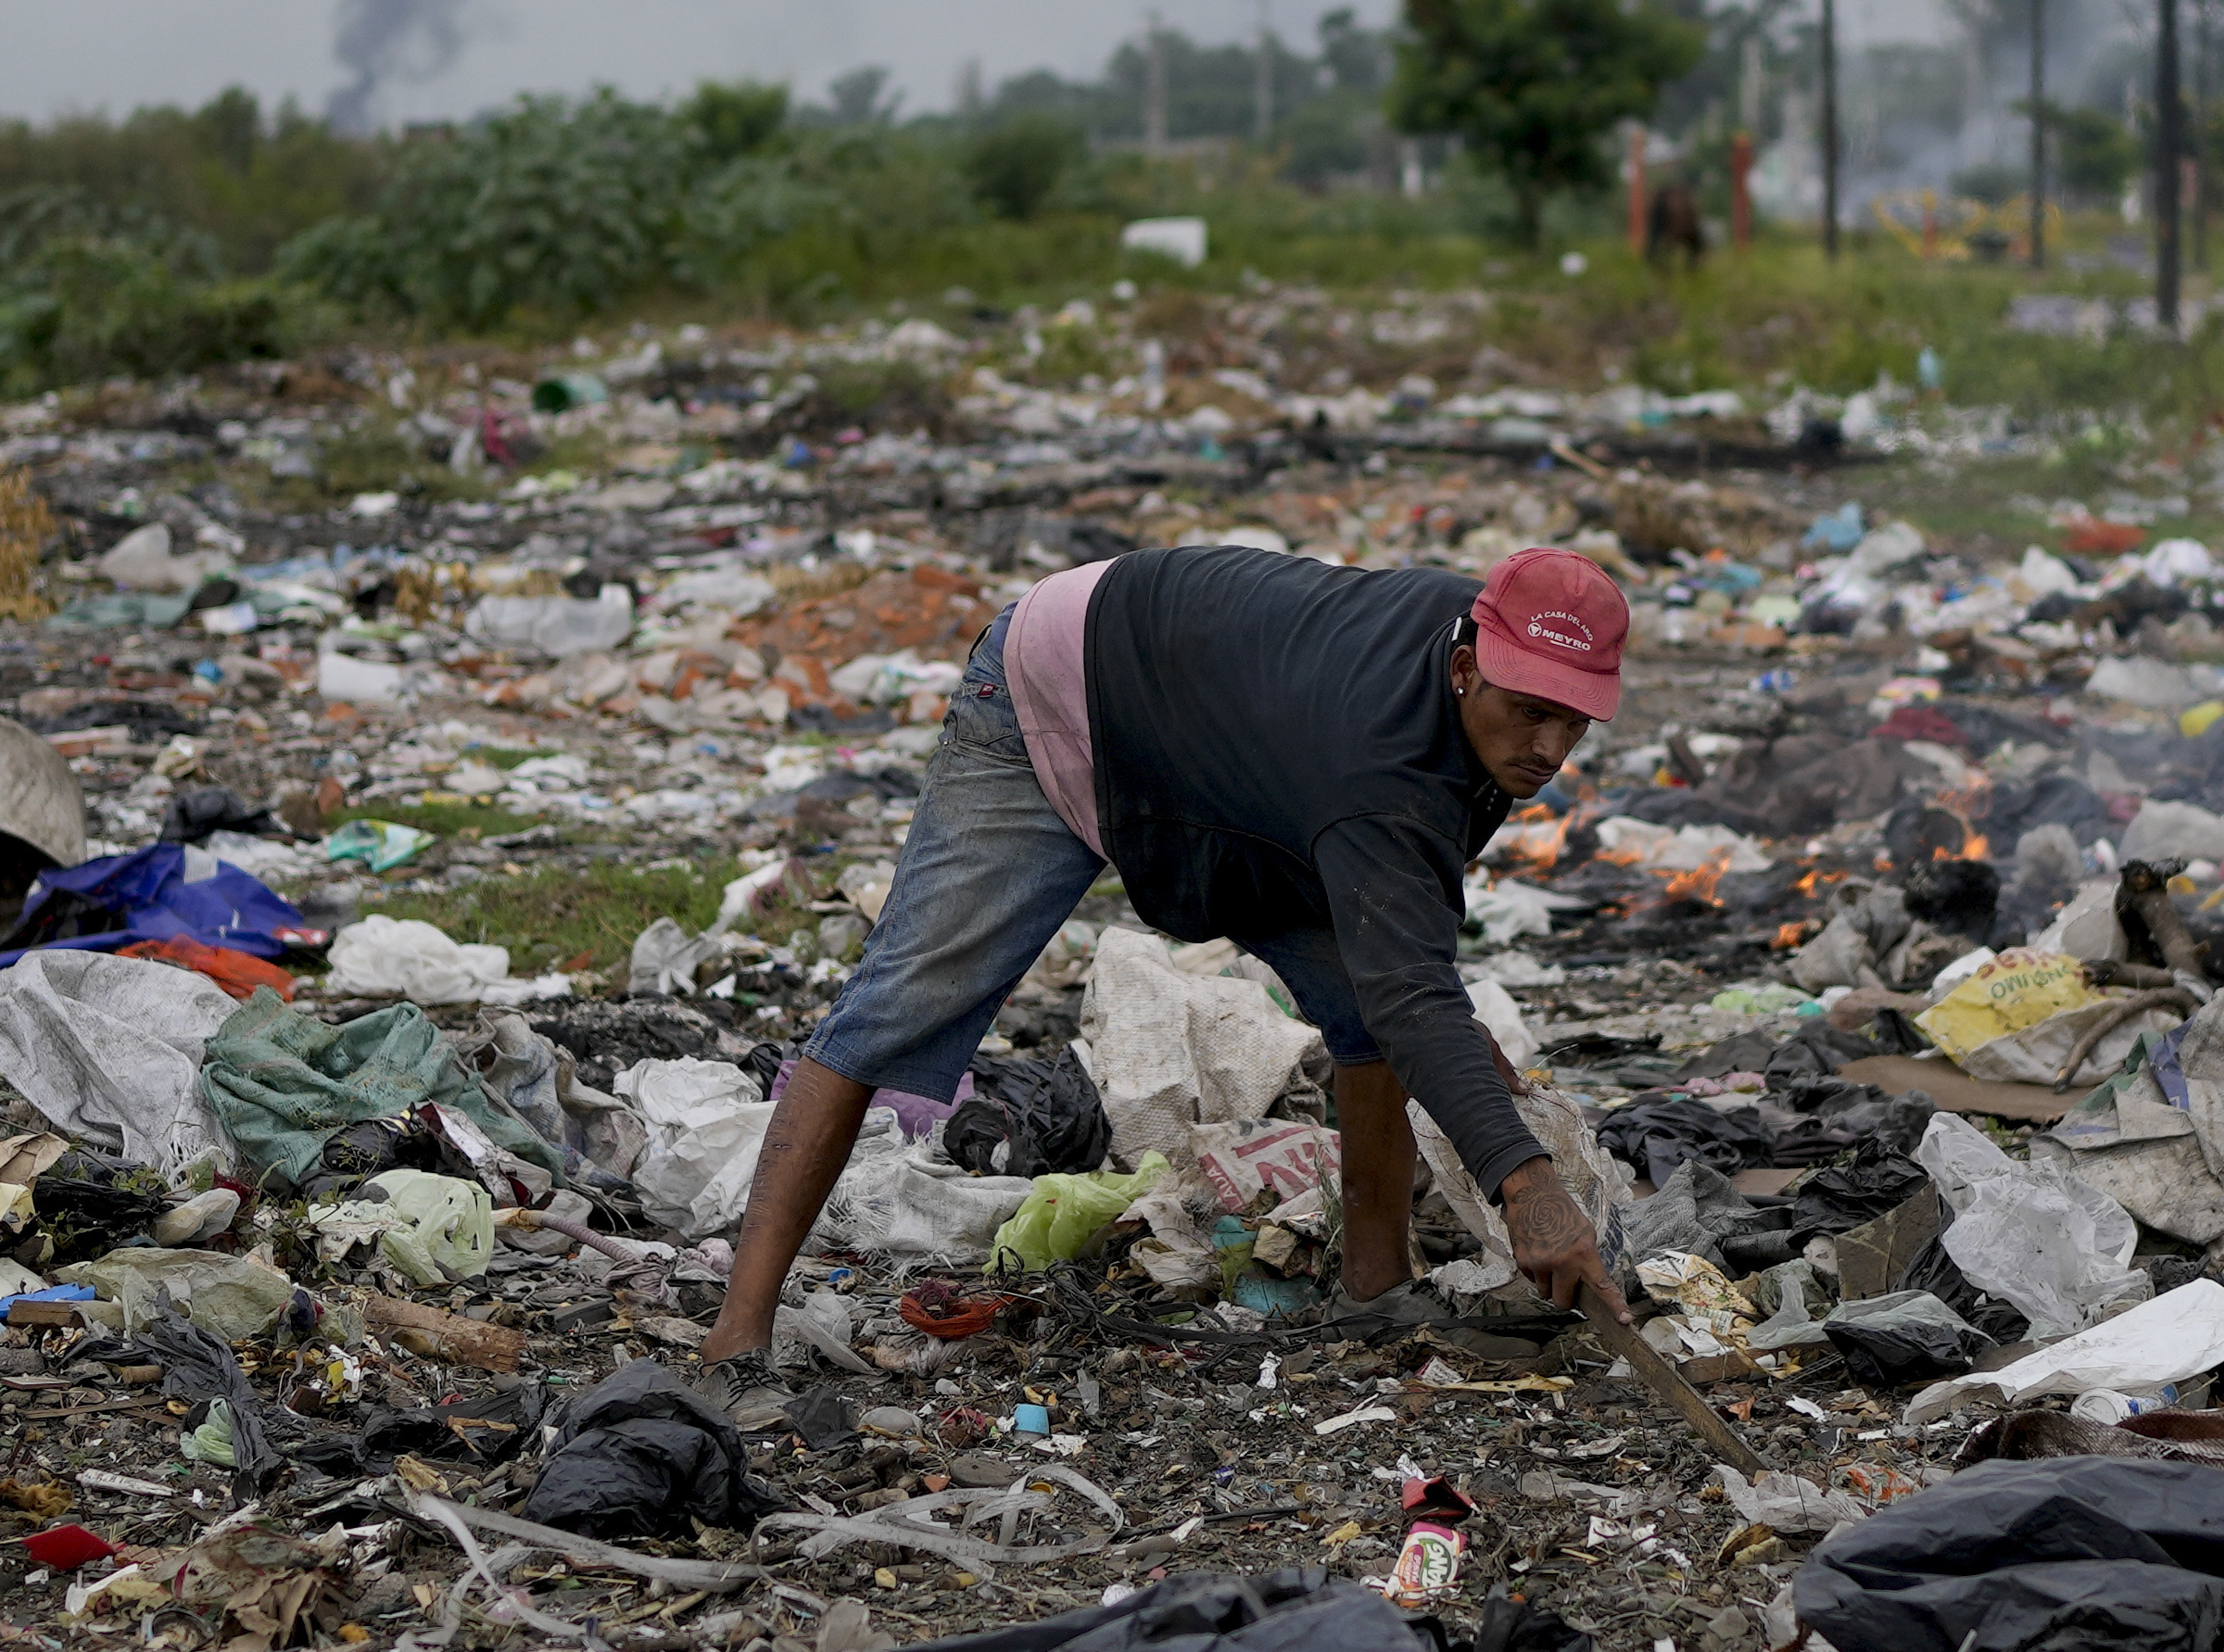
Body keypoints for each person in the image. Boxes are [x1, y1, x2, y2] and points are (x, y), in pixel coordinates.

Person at [693, 538, 1631, 1363]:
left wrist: (1461, 1052)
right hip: (1065, 688)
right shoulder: (1382, 767)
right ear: (1464, 667)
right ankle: (738, 1331)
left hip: (1237, 769)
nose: (1548, 747)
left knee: (1366, 1010)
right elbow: (1414, 986)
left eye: (1570, 720)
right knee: (899, 1004)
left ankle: (1374, 1293)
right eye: (1527, 713)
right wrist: (1527, 1186)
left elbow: (1404, 963)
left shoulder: (1485, 703)